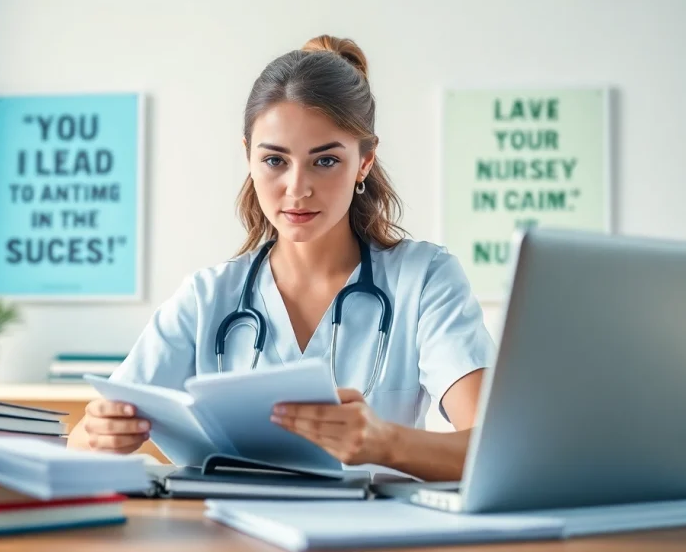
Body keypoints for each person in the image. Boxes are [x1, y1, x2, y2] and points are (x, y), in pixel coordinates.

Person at [68, 35, 494, 481]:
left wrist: (385, 443)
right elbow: (83, 439)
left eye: (325, 161)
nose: (297, 188)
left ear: (365, 161)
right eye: (274, 160)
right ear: (248, 156)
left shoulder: (424, 280)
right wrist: (99, 434)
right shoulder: (205, 298)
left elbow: (494, 446)